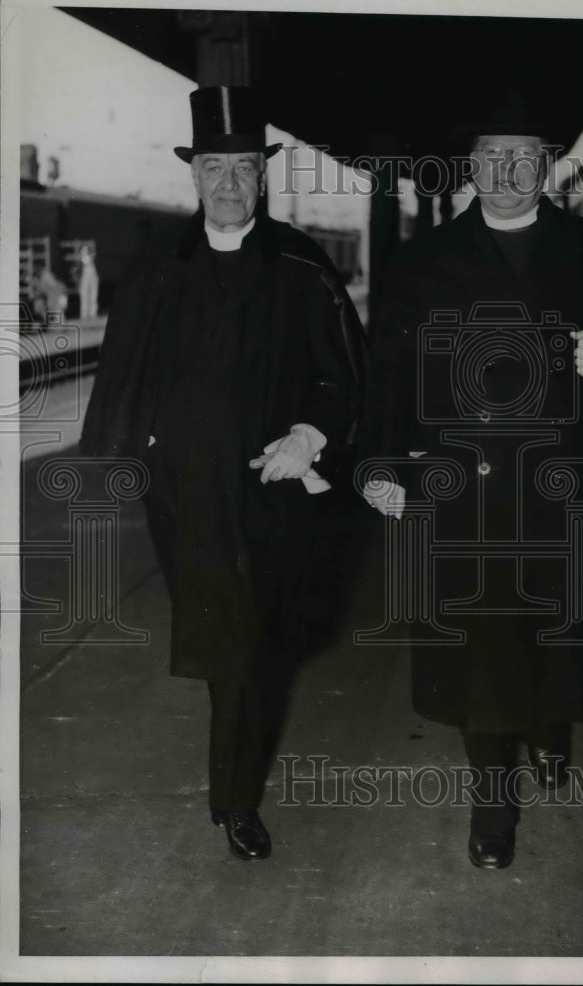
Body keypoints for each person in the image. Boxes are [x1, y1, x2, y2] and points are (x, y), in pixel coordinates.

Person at [359, 97, 583, 869]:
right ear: (469, 166)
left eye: (523, 155)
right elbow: (388, 377)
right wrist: (385, 466)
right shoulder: (424, 260)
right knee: (483, 653)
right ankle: (492, 805)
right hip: (465, 489)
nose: (506, 171)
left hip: (563, 483)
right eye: (492, 154)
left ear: (547, 164)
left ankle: (550, 728)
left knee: (556, 639)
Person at [81, 86, 364, 861]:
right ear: (195, 175)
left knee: (246, 642)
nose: (230, 184)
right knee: (228, 639)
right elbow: (121, 371)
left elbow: (343, 377)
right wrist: (122, 458)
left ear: (263, 175)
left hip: (272, 487)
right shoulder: (157, 268)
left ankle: (233, 801)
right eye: (215, 168)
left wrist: (310, 434)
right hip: (184, 493)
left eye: (243, 168)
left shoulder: (303, 267)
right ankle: (234, 795)